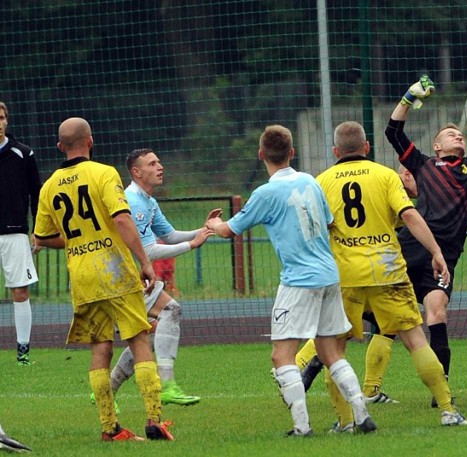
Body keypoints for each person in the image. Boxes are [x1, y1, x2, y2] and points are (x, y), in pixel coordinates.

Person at [205, 125, 377, 436]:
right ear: (292, 153)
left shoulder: (266, 193)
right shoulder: (310, 181)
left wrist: (213, 223)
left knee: (281, 355)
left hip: (299, 280)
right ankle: (363, 415)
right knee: (331, 352)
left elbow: (230, 230)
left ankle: (302, 427)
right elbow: (328, 222)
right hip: (329, 275)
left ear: (261, 155)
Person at [317, 120, 467, 429]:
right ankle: (448, 410)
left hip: (346, 275)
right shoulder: (385, 175)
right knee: (415, 341)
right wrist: (437, 252)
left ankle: (346, 421)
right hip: (388, 271)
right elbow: (409, 214)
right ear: (367, 148)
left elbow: (317, 229)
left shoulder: (323, 181)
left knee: (335, 350)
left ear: (335, 151)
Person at [385, 57, 467, 406]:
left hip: (443, 259)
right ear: (438, 146)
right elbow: (392, 132)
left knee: (437, 312)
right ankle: (339, 373)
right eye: (448, 134)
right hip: (408, 248)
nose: (457, 134)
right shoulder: (424, 164)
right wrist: (410, 96)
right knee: (374, 319)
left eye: (459, 133)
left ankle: (439, 393)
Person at [34, 118, 173, 441]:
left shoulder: (49, 186)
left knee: (100, 347)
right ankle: (154, 420)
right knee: (139, 338)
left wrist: (79, 238)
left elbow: (43, 236)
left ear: (60, 147)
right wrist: (144, 262)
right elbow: (122, 219)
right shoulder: (103, 173)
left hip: (82, 275)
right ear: (90, 141)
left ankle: (109, 427)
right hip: (114, 269)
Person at [93, 148, 213, 408]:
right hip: (119, 277)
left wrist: (204, 230)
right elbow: (148, 251)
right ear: (136, 172)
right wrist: (192, 245)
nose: (160, 166)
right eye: (152, 163)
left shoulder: (148, 201)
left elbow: (168, 235)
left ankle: (105, 390)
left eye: (159, 161)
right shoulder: (133, 201)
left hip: (128, 278)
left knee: (149, 333)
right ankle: (167, 385)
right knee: (171, 309)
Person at [294, 164, 419, 403]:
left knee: (368, 328)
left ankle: (368, 392)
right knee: (340, 333)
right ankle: (297, 369)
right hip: (377, 271)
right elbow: (403, 218)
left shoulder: (326, 179)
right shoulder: (384, 181)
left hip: (348, 269)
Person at [0, 101, 42, 366]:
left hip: (14, 232)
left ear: (7, 121)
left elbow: (37, 193)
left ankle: (23, 352)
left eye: (1, 117)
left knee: (20, 292)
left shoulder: (23, 153)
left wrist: (39, 230)